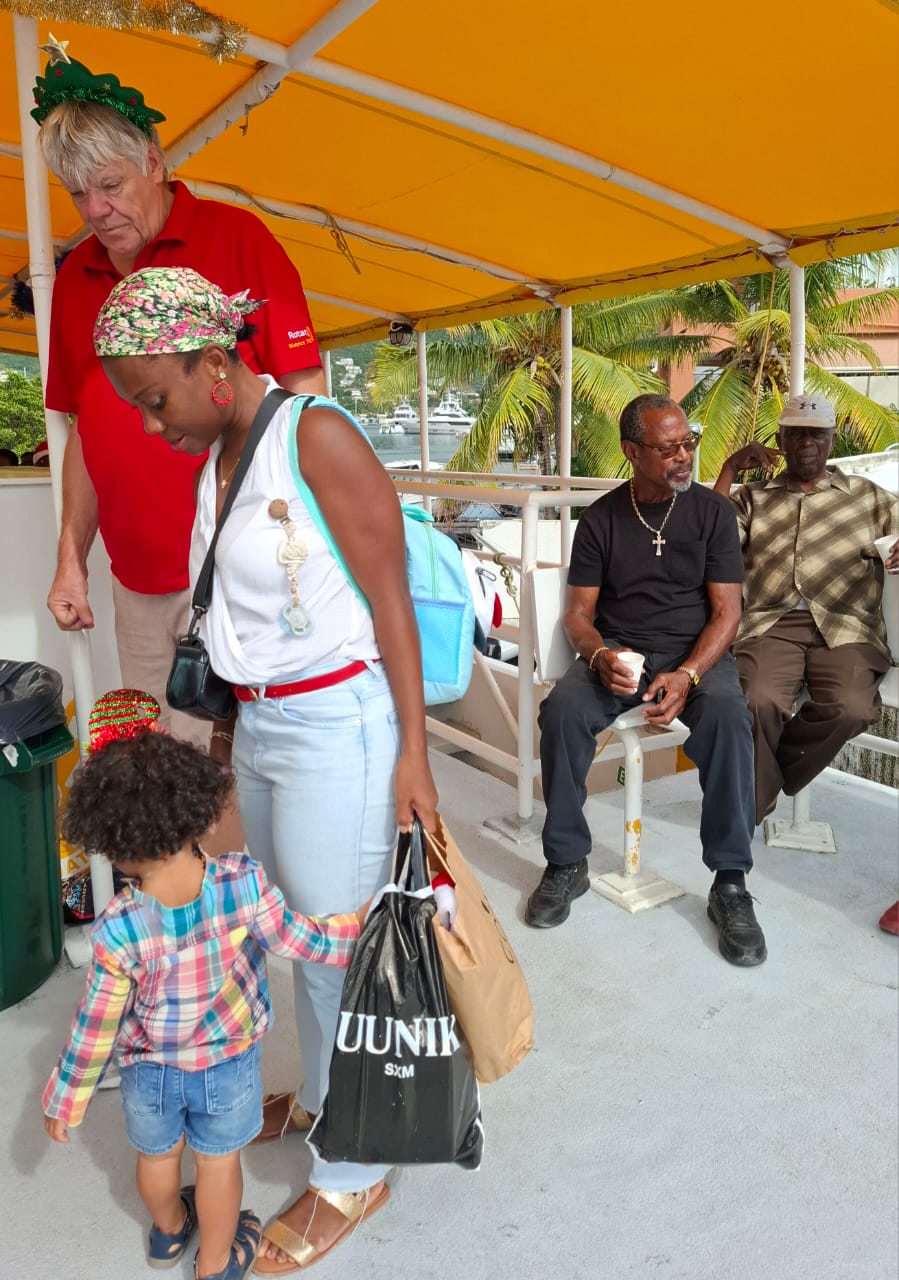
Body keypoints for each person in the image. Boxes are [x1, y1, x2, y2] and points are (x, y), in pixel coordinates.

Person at [92, 266, 439, 1273]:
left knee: (335, 949)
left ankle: (355, 1169)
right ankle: (328, 1096)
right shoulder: (219, 452)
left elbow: (390, 597)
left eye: (155, 399)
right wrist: (230, 736)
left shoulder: (314, 435)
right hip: (266, 726)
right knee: (287, 935)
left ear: (214, 363)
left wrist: (414, 752)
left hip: (341, 727)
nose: (151, 424)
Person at [32, 44, 325, 747]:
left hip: (234, 569)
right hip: (134, 579)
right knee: (152, 761)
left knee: (230, 761)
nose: (95, 210)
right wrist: (71, 559)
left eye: (110, 185)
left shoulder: (237, 238)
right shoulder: (74, 280)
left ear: (154, 162)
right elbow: (85, 433)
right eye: (77, 194)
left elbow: (304, 394)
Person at [43, 696, 367, 1280]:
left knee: (157, 1158)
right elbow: (300, 940)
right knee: (218, 1166)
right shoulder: (242, 884)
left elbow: (95, 1026)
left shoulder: (116, 927)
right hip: (226, 1064)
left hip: (150, 1071)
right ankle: (216, 1263)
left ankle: (168, 1232)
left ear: (113, 848)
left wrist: (67, 1098)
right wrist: (358, 930)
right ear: (205, 816)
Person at [528, 393, 765, 966]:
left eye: (689, 443)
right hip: (622, 653)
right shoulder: (602, 519)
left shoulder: (712, 514)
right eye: (669, 448)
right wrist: (599, 655)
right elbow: (577, 616)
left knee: (731, 719)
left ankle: (730, 883)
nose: (684, 456)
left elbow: (727, 613)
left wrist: (688, 672)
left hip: (696, 656)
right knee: (561, 713)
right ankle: (566, 862)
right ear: (632, 452)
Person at [714, 394, 898, 825]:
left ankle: (764, 781)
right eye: (795, 434)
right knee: (756, 700)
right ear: (780, 441)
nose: (806, 443)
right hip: (771, 622)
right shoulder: (754, 497)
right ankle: (746, 818)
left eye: (816, 434)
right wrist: (730, 469)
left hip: (846, 624)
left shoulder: (868, 496)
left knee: (853, 707)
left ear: (832, 439)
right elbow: (709, 535)